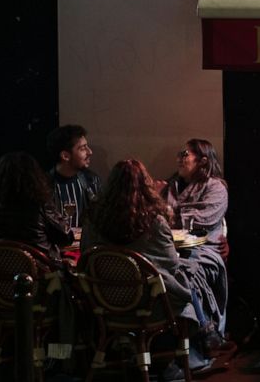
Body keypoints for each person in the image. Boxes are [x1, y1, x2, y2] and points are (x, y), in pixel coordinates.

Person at [81, 159, 218, 375]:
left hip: (106, 303)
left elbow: (85, 255)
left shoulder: (92, 219)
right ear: (146, 186)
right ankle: (197, 346)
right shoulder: (154, 222)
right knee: (188, 276)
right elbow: (171, 264)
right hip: (150, 306)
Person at [0, 152, 75, 370]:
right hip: (42, 295)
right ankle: (60, 358)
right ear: (35, 180)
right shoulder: (40, 208)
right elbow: (66, 237)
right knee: (70, 296)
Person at [162, 139, 230, 349]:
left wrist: (168, 211)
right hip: (171, 249)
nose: (179, 159)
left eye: (185, 155)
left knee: (186, 273)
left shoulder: (216, 187)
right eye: (179, 154)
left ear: (202, 161)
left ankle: (201, 330)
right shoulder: (171, 185)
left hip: (204, 249)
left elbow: (203, 220)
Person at [45, 124, 102, 228]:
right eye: (83, 148)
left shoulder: (91, 180)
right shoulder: (44, 185)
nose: (90, 152)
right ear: (65, 156)